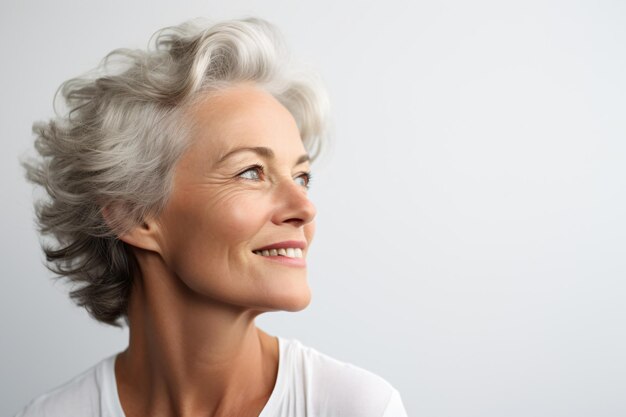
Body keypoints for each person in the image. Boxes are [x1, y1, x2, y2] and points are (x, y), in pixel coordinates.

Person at [16, 17, 408, 417]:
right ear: (132, 214)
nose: (305, 208)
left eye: (302, 177)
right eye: (251, 172)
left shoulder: (355, 407)